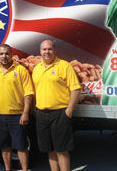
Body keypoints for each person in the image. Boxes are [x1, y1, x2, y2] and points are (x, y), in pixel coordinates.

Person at [0, 44, 34, 171]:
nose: (4, 56)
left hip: (17, 116)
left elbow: (28, 93)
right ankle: (7, 169)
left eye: (6, 53)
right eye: (1, 54)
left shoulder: (21, 70)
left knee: (21, 146)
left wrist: (26, 113)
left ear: (11, 55)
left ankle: (25, 169)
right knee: (4, 146)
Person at [32, 39, 81, 171]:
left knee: (62, 150)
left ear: (54, 50)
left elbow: (75, 89)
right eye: (44, 49)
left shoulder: (64, 66)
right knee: (49, 150)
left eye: (49, 49)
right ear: (40, 51)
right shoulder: (36, 69)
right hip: (42, 114)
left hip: (60, 113)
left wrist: (69, 110)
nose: (47, 52)